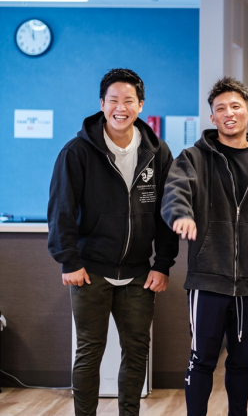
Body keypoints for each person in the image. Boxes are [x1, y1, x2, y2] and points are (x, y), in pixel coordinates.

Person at [48, 68, 179, 416]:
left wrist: (163, 264)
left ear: (141, 105)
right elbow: (61, 209)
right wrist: (69, 261)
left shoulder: (157, 152)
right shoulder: (77, 152)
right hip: (89, 271)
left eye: (129, 101)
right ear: (102, 104)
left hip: (139, 273)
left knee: (136, 351)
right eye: (113, 101)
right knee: (89, 352)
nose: (121, 108)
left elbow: (167, 212)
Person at [161, 77, 248, 416]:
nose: (228, 113)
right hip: (208, 281)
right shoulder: (193, 158)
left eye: (235, 106)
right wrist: (181, 214)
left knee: (242, 363)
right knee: (201, 360)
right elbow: (176, 190)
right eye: (220, 108)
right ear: (212, 118)